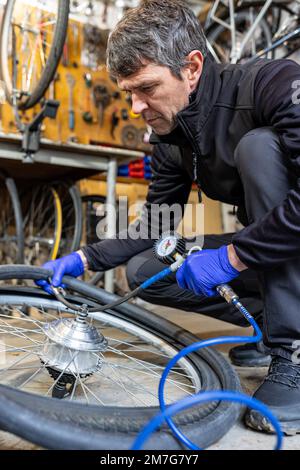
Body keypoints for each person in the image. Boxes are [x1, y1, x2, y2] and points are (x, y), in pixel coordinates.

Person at [36, 0, 300, 434]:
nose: (136, 106)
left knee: (258, 147)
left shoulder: (272, 83)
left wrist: (233, 257)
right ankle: (275, 321)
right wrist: (83, 260)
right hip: (278, 253)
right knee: (146, 270)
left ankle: (291, 350)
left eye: (147, 88)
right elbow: (155, 225)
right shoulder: (171, 135)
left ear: (192, 67)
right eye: (128, 93)